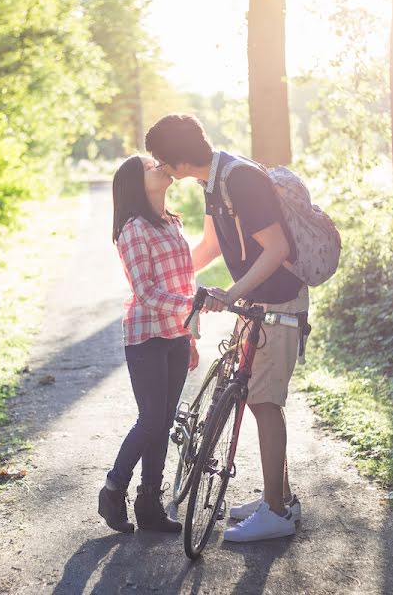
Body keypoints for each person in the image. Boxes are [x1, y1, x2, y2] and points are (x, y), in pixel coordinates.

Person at [145, 113, 306, 542]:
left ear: (175, 160)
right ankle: (281, 499)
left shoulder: (240, 180)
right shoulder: (212, 182)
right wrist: (167, 280)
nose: (160, 167)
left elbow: (277, 249)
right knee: (253, 396)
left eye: (161, 159)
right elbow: (212, 245)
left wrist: (232, 295)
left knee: (264, 402)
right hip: (256, 301)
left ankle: (274, 512)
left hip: (280, 301)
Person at [98, 155, 200, 534]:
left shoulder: (173, 222)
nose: (159, 165)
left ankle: (150, 505)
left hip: (175, 334)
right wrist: (191, 308)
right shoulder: (132, 229)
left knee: (164, 421)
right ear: (136, 184)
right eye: (149, 166)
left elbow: (184, 283)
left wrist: (189, 332)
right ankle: (112, 489)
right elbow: (146, 292)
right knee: (151, 419)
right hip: (145, 336)